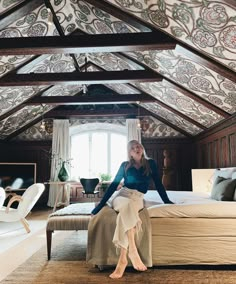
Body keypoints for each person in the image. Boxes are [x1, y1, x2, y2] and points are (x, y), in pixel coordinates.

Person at [91, 140, 173, 279]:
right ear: (129, 152)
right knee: (127, 207)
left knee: (127, 212)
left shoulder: (150, 163)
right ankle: (132, 251)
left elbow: (158, 184)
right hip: (122, 196)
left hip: (137, 198)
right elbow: (114, 185)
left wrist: (166, 201)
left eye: (139, 146)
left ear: (142, 149)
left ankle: (123, 259)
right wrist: (99, 206)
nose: (137, 148)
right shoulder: (125, 165)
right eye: (133, 147)